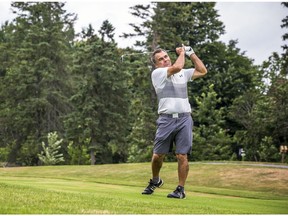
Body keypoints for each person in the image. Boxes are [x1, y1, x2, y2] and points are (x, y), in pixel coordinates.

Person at [141, 44, 207, 199]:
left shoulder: (182, 73)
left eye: (166, 57)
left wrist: (192, 54)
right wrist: (183, 53)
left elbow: (202, 71)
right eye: (160, 59)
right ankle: (156, 180)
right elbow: (177, 66)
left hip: (185, 118)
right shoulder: (158, 73)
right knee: (158, 155)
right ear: (156, 64)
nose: (165, 60)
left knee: (182, 155)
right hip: (166, 120)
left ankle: (180, 189)